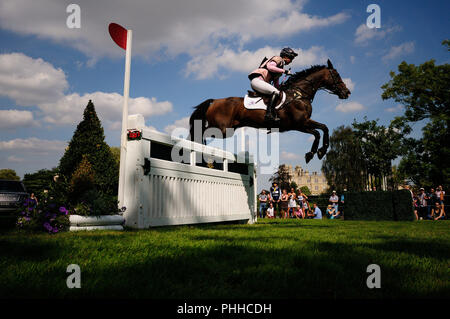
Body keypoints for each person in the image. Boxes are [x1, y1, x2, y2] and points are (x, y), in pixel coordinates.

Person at [248, 47, 298, 125]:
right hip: (257, 81)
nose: (291, 61)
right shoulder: (279, 59)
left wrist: (282, 87)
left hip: (259, 82)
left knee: (277, 92)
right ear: (286, 56)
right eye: (291, 58)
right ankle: (269, 115)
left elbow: (276, 84)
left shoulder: (279, 69)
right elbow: (270, 67)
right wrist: (285, 71)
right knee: (275, 92)